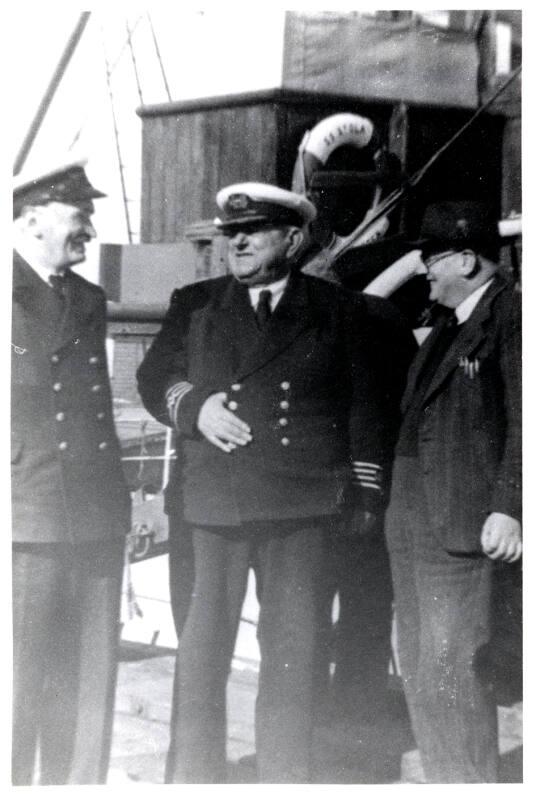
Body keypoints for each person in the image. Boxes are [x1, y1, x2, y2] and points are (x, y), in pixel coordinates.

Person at [137, 182, 415, 783]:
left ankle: (285, 779)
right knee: (201, 652)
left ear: (292, 239)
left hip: (302, 507)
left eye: (253, 231)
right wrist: (195, 408)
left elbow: (365, 405)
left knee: (294, 653)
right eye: (231, 233)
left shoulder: (338, 310)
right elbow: (154, 376)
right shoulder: (196, 303)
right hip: (212, 504)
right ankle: (192, 780)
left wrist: (365, 490)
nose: (237, 242)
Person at [384, 200, 522, 783]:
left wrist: (511, 506)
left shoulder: (513, 317)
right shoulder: (446, 324)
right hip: (414, 513)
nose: (423, 271)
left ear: (467, 260)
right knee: (420, 662)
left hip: (462, 518)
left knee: (452, 665)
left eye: (431, 258)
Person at [11, 159, 131, 785]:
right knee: (17, 681)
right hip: (25, 513)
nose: (89, 227)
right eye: (77, 214)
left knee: (87, 682)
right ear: (32, 220)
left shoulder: (87, 299)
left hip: (95, 513)